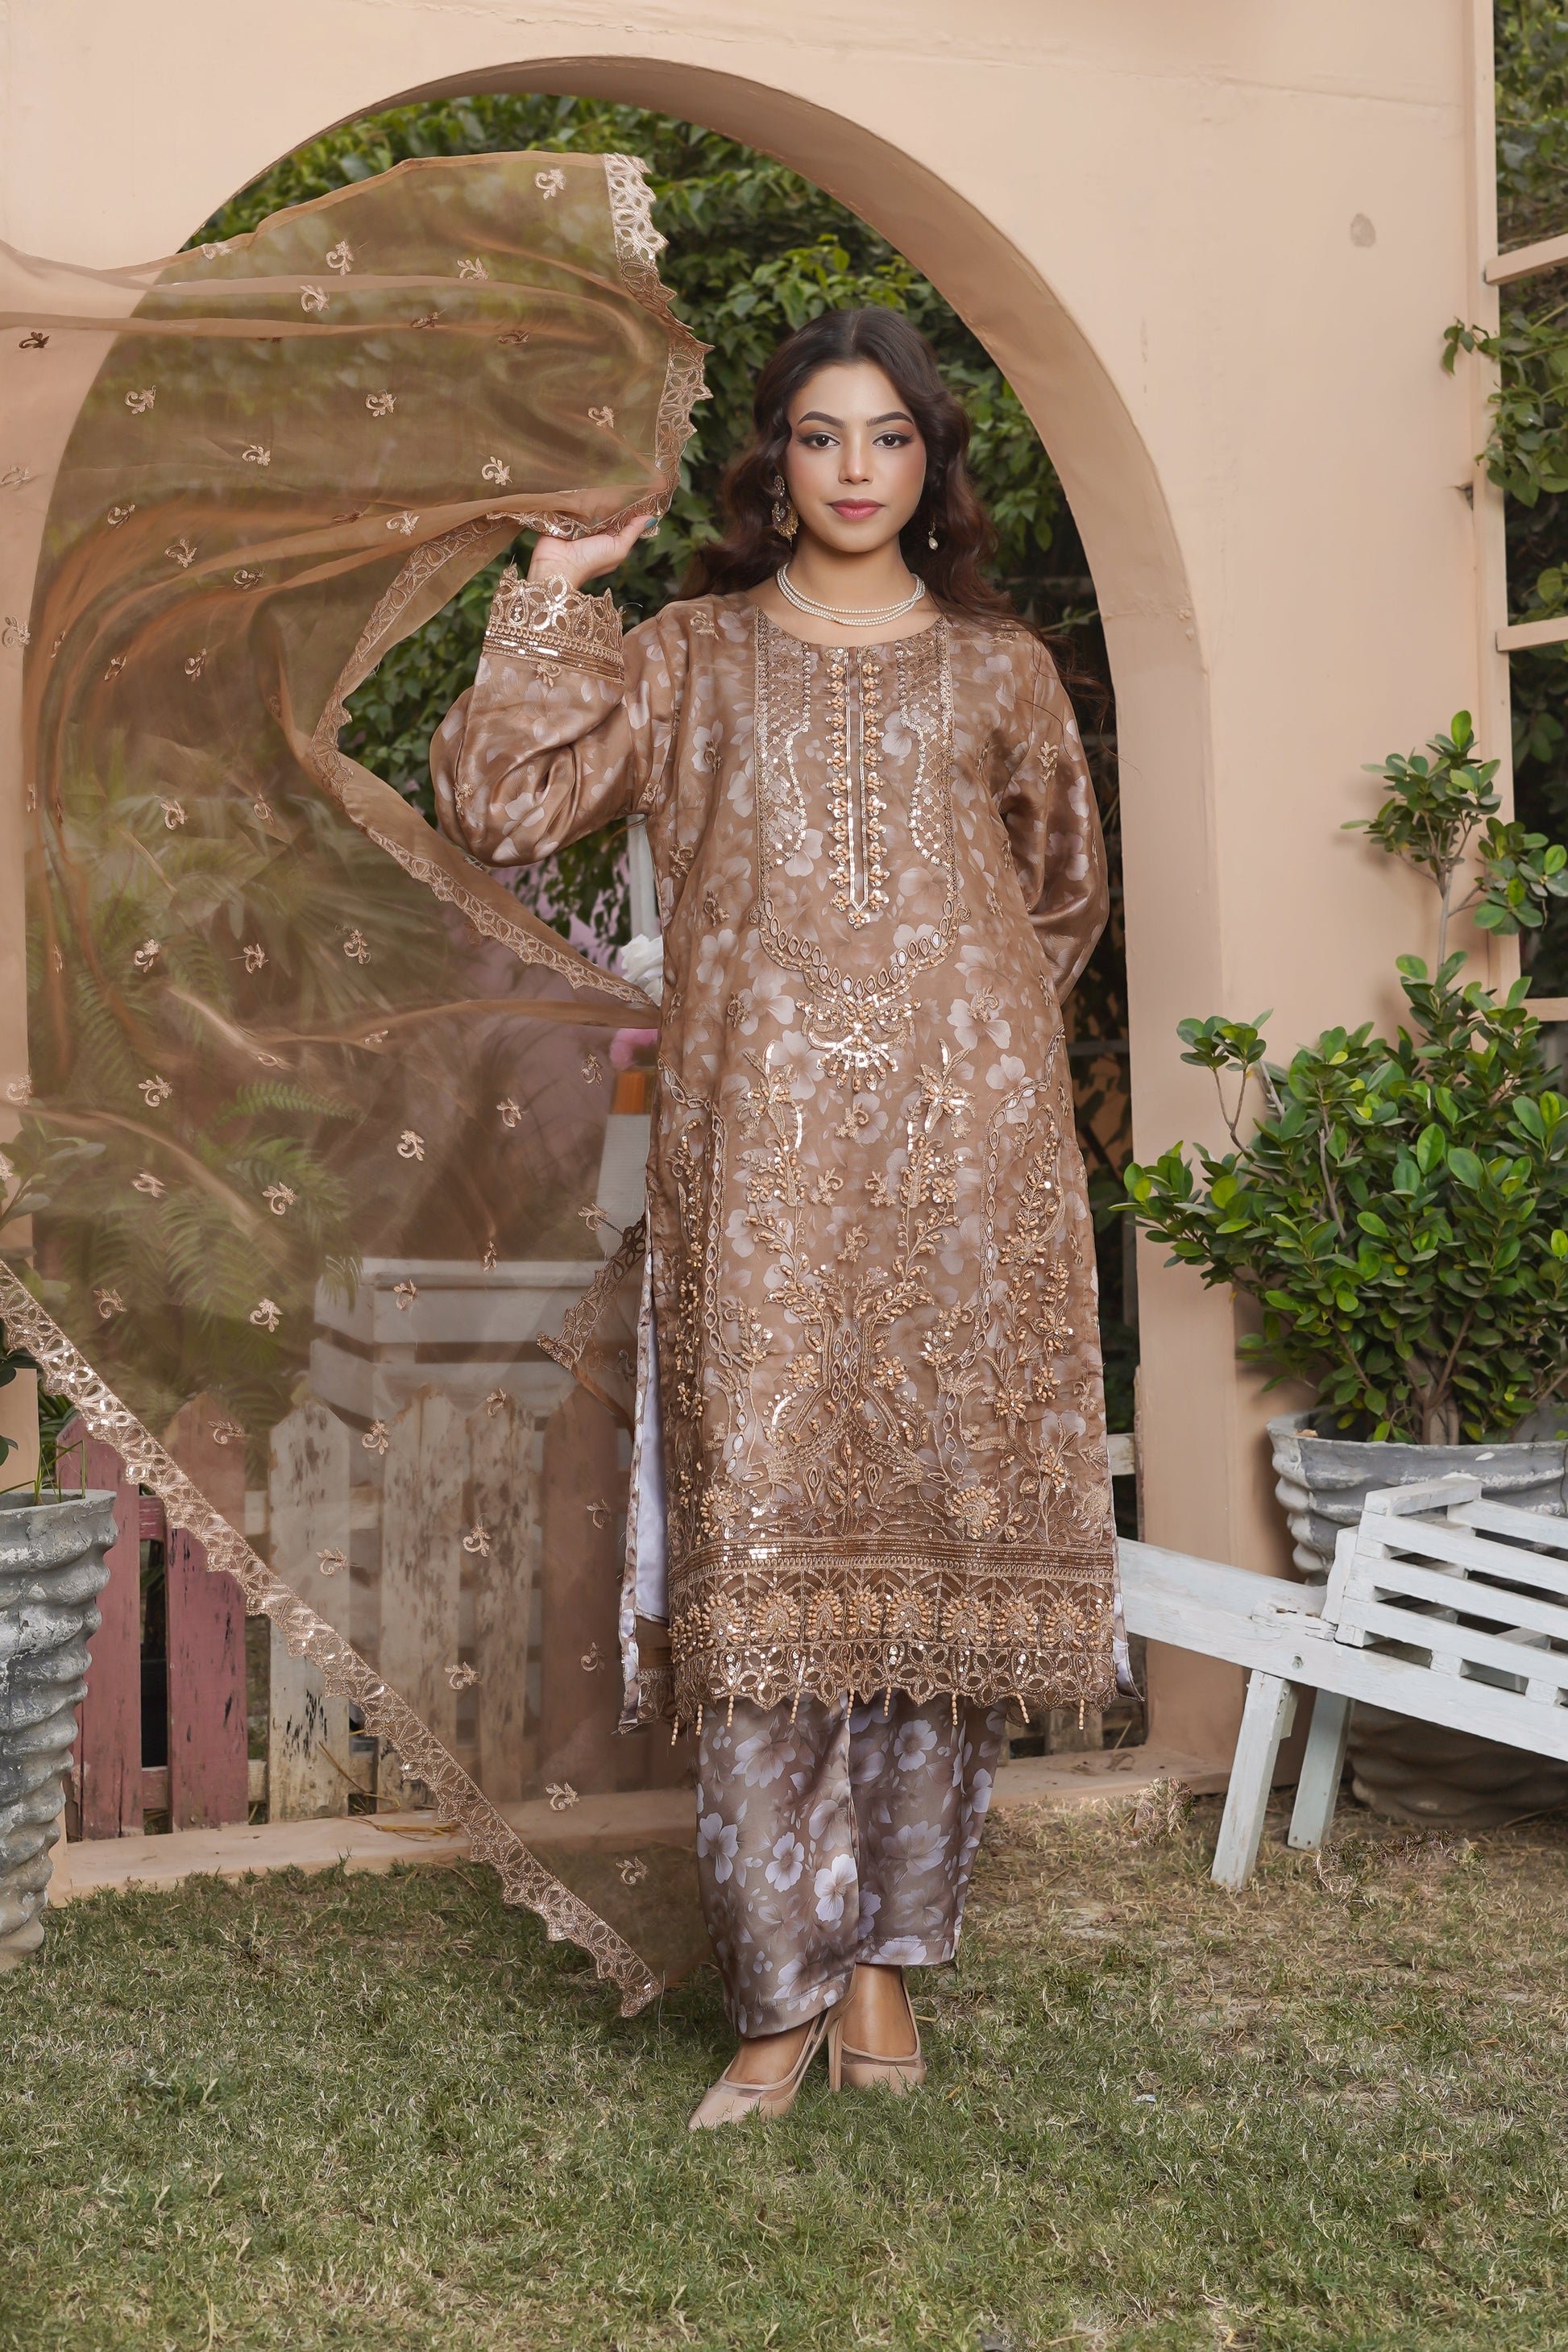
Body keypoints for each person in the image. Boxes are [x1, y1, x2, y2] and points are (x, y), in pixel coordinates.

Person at [432, 306, 1116, 2127]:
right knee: (766, 1551)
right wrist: (554, 592)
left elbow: (1057, 902)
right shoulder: (688, 658)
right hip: (762, 1181)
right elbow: (502, 805)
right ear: (773, 462)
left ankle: (884, 1959)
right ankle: (778, 1977)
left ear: (931, 461)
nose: (855, 470)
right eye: (821, 436)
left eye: (888, 437)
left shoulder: (1002, 672)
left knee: (936, 1551)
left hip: (967, 1174)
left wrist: (946, 1050)